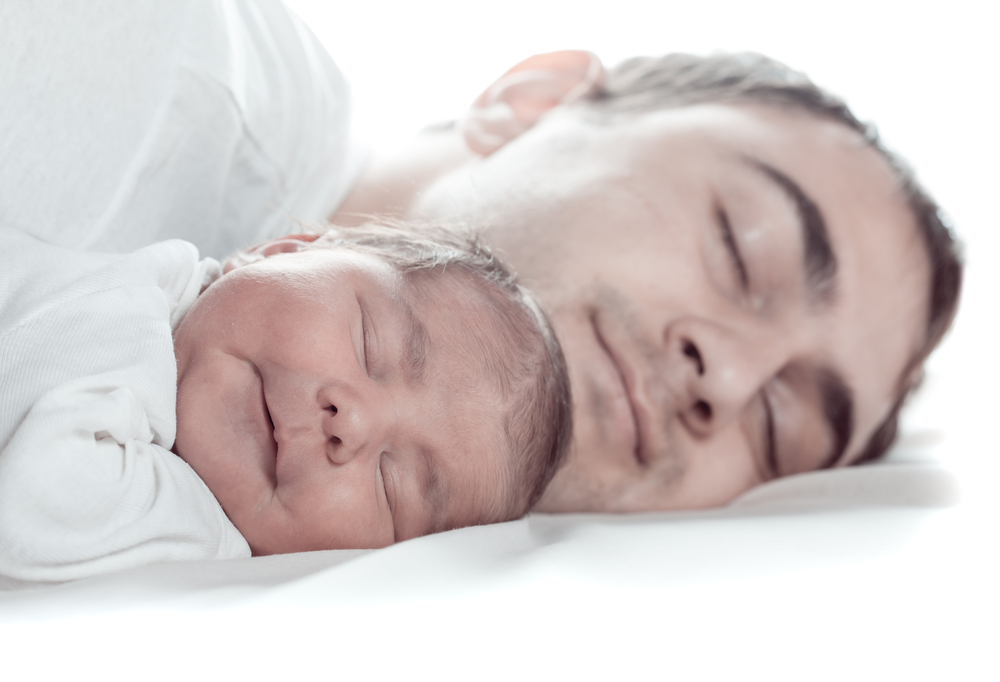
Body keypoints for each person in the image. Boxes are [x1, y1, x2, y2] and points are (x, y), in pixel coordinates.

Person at [1, 1, 962, 515]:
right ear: (532, 101)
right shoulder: (136, 66)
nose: (733, 375)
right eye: (741, 250)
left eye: (782, 428)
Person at [0, 223, 572, 581]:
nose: (356, 421)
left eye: (393, 486)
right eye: (370, 344)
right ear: (281, 249)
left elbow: (33, 502)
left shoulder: (195, 550)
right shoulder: (144, 289)